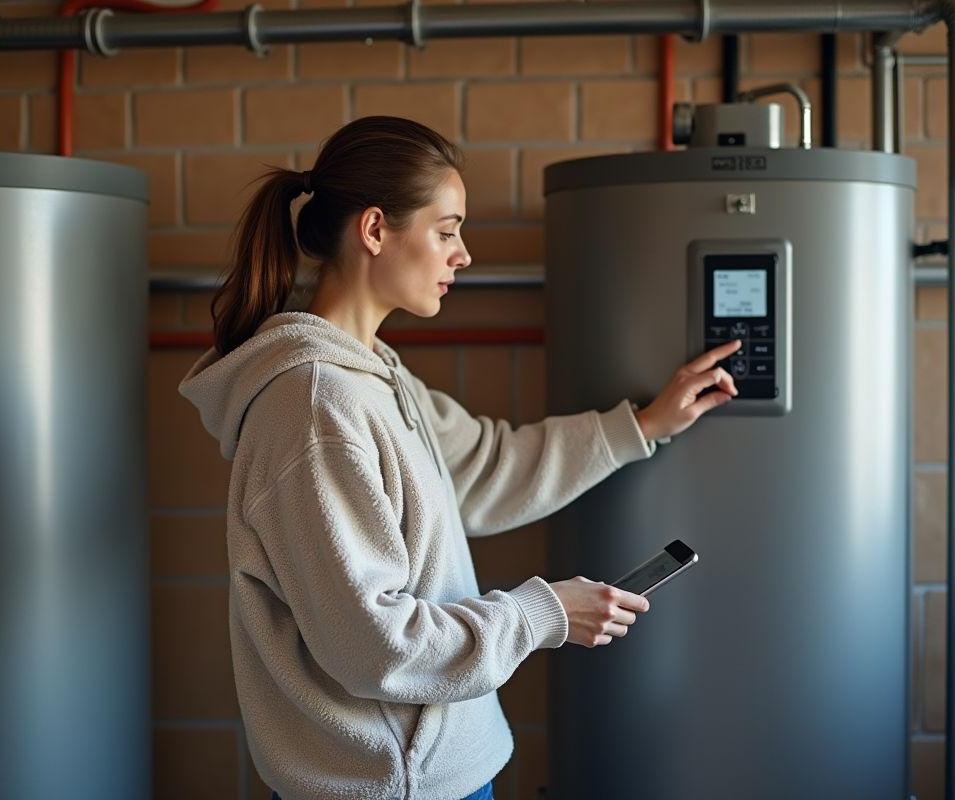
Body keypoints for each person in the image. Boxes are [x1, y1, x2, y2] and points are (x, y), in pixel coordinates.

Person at [179, 116, 740, 800]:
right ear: (376, 229)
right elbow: (375, 645)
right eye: (447, 231)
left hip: (436, 773)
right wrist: (542, 613)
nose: (464, 254)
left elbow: (483, 468)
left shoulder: (375, 373)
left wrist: (646, 425)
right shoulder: (315, 405)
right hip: (391, 787)